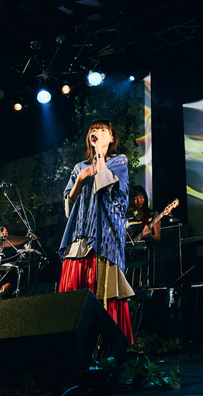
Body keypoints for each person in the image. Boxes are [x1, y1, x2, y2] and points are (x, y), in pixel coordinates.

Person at [58, 119, 134, 343]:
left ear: (111, 138)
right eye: (94, 130)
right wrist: (81, 179)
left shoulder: (119, 161)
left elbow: (107, 186)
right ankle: (71, 343)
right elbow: (69, 204)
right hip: (79, 238)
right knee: (72, 292)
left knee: (103, 293)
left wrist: (100, 153)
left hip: (104, 239)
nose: (97, 133)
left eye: (103, 130)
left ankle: (107, 345)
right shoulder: (79, 167)